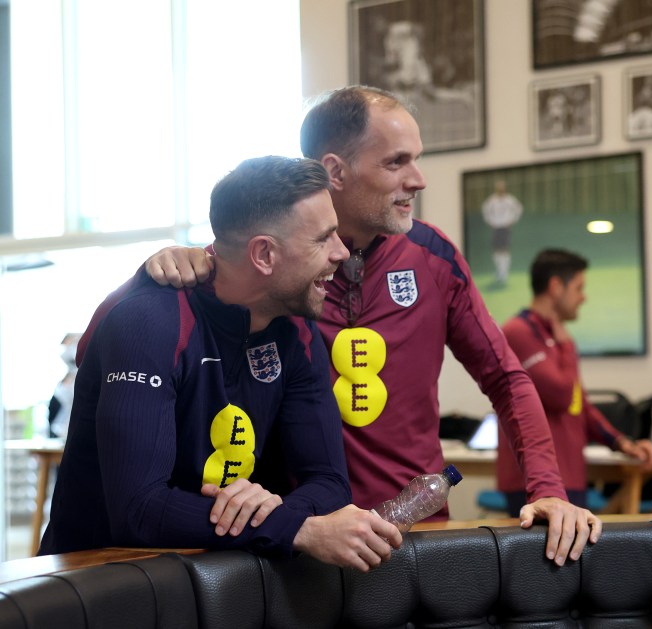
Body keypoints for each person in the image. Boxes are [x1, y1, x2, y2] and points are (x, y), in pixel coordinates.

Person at [145, 86, 600, 566]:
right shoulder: (275, 267)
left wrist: (548, 489)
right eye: (396, 162)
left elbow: (506, 379)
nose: (419, 180)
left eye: (416, 160)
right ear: (334, 172)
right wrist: (171, 263)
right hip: (300, 545)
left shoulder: (435, 257)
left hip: (416, 539)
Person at [39, 156, 403, 572]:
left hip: (211, 581)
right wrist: (295, 527)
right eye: (323, 238)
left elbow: (329, 482)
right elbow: (139, 510)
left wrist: (275, 508)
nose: (342, 251)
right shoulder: (149, 321)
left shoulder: (298, 331)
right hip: (94, 586)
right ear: (263, 254)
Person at [497, 249, 652, 515]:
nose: (583, 297)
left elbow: (579, 404)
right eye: (579, 288)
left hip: (567, 477)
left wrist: (621, 442)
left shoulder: (556, 336)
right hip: (534, 483)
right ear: (556, 287)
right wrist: (567, 346)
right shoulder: (518, 332)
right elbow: (560, 395)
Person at [481, 179, 524, 286]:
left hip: (505, 227)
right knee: (496, 250)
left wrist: (513, 220)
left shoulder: (509, 200)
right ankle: (499, 271)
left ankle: (504, 273)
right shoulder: (492, 200)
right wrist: (490, 221)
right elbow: (485, 210)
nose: (500, 190)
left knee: (505, 250)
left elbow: (519, 209)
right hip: (496, 228)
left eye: (502, 188)